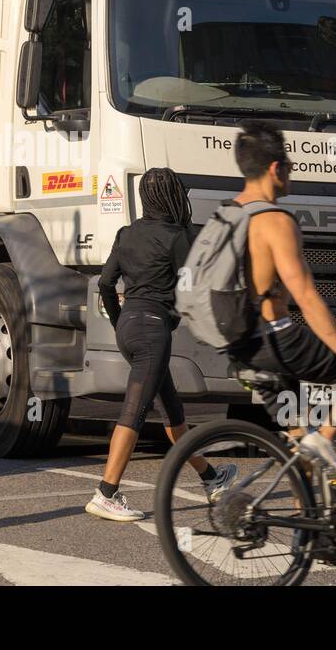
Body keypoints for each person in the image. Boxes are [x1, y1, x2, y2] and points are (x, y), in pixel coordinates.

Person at [229, 121, 336, 481]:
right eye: (290, 166)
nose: (290, 173)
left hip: (239, 344)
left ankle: (306, 519)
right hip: (276, 337)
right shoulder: (275, 220)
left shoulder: (228, 213)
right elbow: (307, 297)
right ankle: (325, 445)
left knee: (300, 445)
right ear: (275, 168)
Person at [86, 167, 236, 522]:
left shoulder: (126, 234)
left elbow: (106, 283)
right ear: (174, 196)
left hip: (129, 329)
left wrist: (119, 318)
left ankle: (211, 478)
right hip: (153, 332)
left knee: (172, 414)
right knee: (134, 411)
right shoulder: (176, 237)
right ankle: (106, 493)